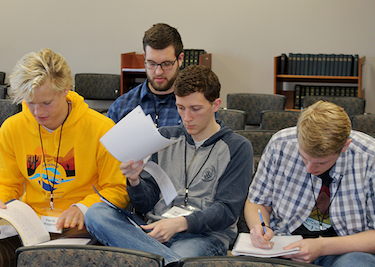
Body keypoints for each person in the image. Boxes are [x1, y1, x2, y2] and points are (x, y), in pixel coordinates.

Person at [85, 65, 253, 266]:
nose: (187, 118)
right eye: (180, 108)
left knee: (182, 252)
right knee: (96, 213)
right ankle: (167, 262)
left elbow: (226, 211)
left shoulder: (237, 147)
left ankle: (157, 260)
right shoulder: (165, 137)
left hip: (203, 236)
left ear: (216, 105)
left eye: (195, 109)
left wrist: (180, 224)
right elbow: (146, 204)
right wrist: (135, 180)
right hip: (154, 229)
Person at [0, 48, 129, 266]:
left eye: (46, 103)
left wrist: (83, 207)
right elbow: (7, 183)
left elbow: (119, 189)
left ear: (65, 91)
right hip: (31, 225)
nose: (37, 112)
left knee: (51, 260)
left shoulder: (101, 128)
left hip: (81, 227)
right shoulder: (12, 128)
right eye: (30, 103)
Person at [245, 100, 375, 267]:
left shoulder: (369, 158)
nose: (310, 168)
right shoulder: (280, 144)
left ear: (344, 146)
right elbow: (257, 201)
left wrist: (322, 247)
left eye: (321, 163)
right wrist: (260, 227)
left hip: (345, 249)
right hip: (284, 243)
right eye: (304, 158)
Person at [107, 23, 184, 127]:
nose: (158, 72)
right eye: (152, 63)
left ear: (180, 59)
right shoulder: (121, 107)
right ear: (145, 58)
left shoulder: (197, 107)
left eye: (166, 64)